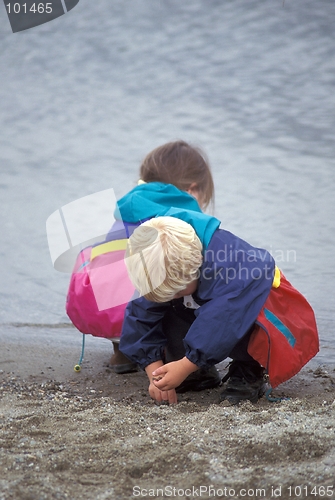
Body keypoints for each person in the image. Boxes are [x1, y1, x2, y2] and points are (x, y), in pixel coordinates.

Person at [66, 140, 221, 391]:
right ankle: (174, 354)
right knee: (182, 276)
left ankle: (122, 353)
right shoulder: (183, 212)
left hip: (97, 306)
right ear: (193, 190)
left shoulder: (126, 207)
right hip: (136, 308)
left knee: (134, 267)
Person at [120, 216, 319, 405]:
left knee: (233, 313)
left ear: (197, 263)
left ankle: (247, 370)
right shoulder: (165, 263)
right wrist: (155, 372)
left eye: (176, 290)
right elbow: (140, 316)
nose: (172, 295)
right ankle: (199, 372)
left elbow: (221, 320)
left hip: (250, 310)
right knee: (160, 305)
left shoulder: (233, 266)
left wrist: (186, 365)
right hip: (203, 306)